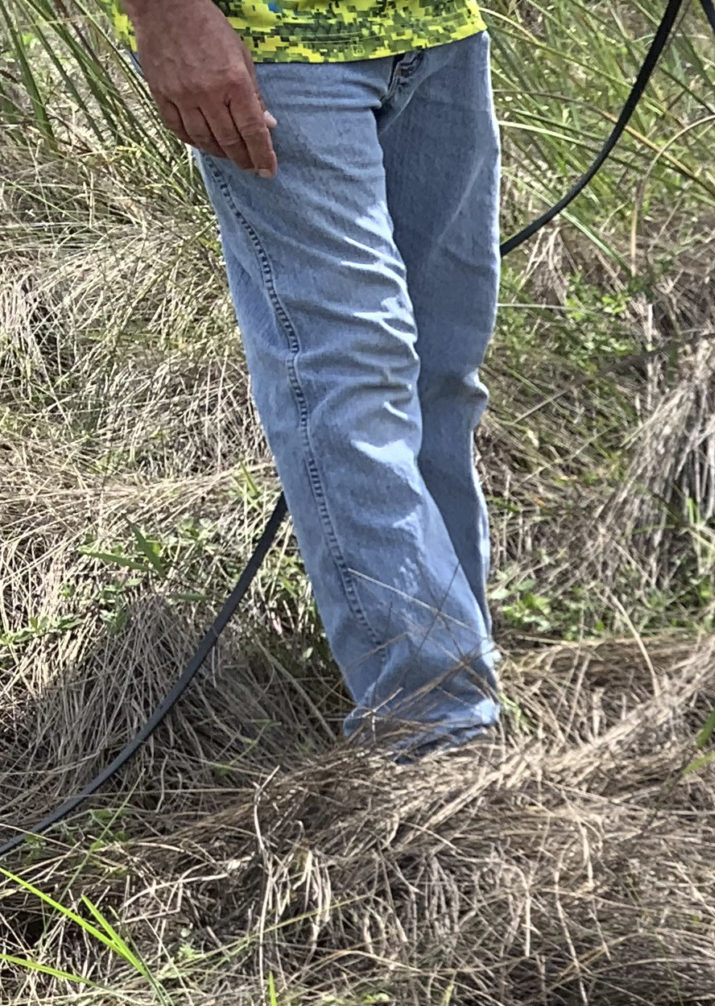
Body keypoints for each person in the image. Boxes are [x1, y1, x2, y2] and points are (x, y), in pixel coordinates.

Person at [118, 0, 502, 759]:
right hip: (275, 50)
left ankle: (458, 675)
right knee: (353, 371)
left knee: (440, 375)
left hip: (441, 34)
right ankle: (434, 733)